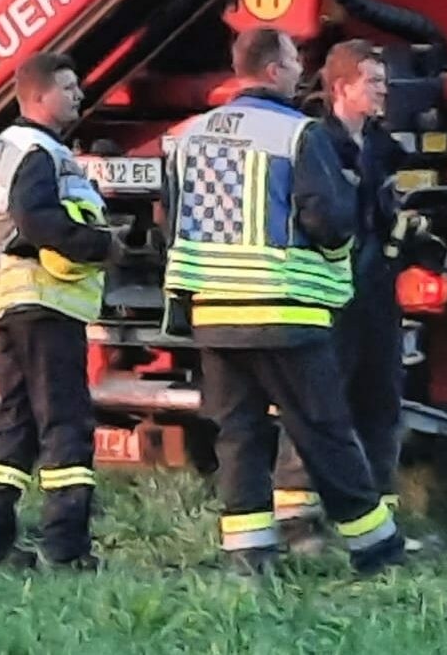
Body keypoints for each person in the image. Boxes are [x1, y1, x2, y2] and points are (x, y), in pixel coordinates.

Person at [163, 28, 404, 577]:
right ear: (274, 70)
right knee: (324, 428)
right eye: (296, 61)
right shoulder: (297, 134)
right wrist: (340, 254)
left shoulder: (190, 134)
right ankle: (376, 548)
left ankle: (249, 557)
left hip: (214, 313)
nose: (302, 72)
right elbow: (328, 217)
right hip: (284, 309)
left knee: (239, 435)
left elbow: (169, 220)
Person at [0, 51, 140, 570]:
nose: (79, 94)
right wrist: (100, 246)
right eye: (69, 86)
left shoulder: (12, 147)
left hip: (15, 303)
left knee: (15, 421)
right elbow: (36, 221)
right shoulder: (35, 150)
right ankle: (66, 548)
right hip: (41, 301)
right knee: (66, 423)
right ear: (39, 96)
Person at [271, 40, 411, 547]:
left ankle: (378, 518)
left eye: (383, 81)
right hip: (328, 295)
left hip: (375, 293)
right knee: (318, 402)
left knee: (380, 399)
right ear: (341, 87)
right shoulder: (316, 143)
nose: (382, 91)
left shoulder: (379, 143)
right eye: (373, 81)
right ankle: (296, 518)